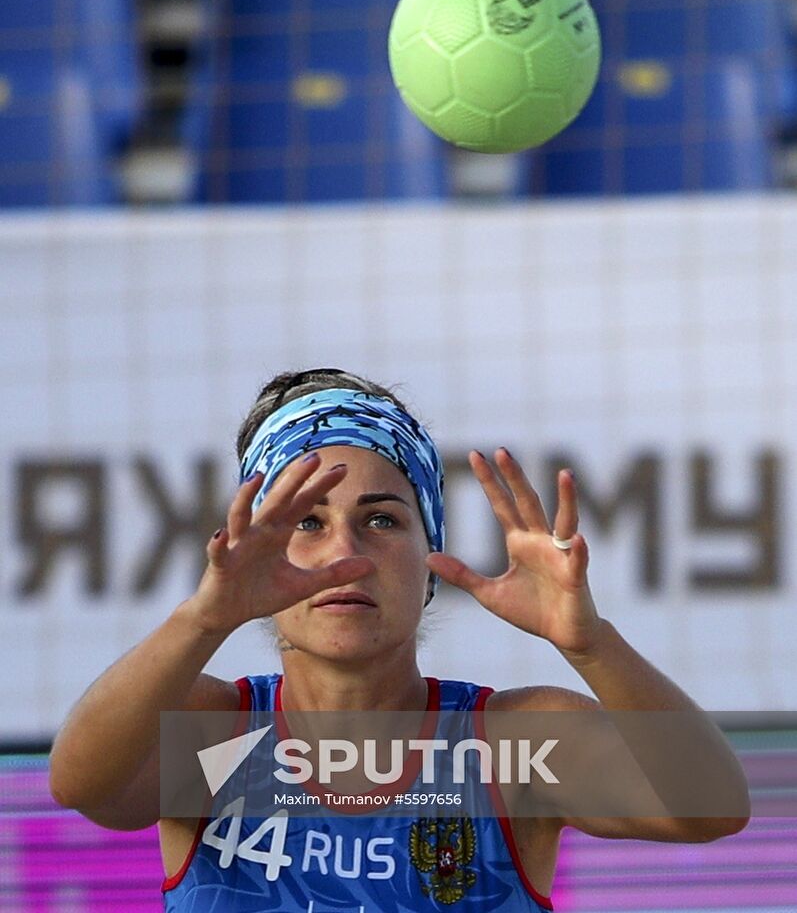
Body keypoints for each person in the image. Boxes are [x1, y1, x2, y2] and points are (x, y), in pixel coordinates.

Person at [49, 367, 750, 911]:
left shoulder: (511, 744)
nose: (342, 555)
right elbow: (83, 786)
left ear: (429, 557)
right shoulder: (210, 734)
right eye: (306, 522)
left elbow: (708, 809)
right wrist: (202, 619)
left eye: (381, 520)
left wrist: (591, 644)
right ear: (250, 552)